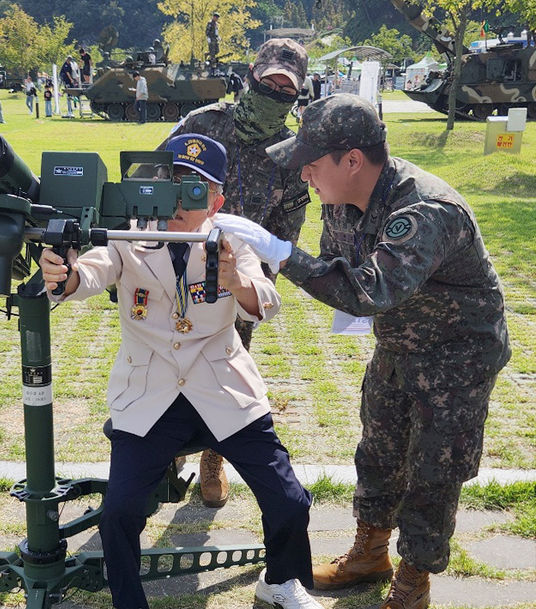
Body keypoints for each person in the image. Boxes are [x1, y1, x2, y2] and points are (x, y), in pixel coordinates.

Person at [214, 93, 511, 609]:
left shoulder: (424, 210)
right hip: (400, 341)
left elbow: (367, 290)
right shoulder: (342, 201)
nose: (304, 174)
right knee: (378, 450)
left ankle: (413, 580)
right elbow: (339, 270)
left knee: (434, 471)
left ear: (352, 160)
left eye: (311, 162)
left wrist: (282, 254)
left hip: (457, 355)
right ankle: (370, 553)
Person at [39, 133, 323, 609]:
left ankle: (280, 580)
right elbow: (89, 271)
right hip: (151, 393)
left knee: (290, 499)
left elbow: (266, 303)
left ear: (217, 199)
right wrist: (63, 276)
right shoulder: (127, 235)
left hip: (222, 389)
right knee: (120, 514)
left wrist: (237, 281)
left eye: (196, 188)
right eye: (172, 183)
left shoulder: (230, 237)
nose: (180, 199)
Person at [156, 37, 312, 508]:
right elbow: (153, 180)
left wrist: (258, 284)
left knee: (224, 371)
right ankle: (163, 458)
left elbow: (290, 225)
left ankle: (212, 458)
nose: (277, 94)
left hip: (237, 276)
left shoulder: (293, 148)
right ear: (252, 75)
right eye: (270, 83)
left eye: (287, 89)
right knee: (167, 358)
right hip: (175, 266)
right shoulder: (203, 123)